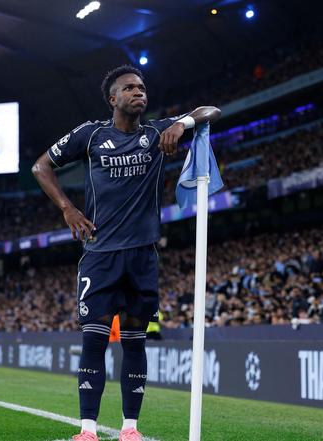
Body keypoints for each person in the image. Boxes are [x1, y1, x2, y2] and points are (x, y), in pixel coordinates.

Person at [33, 65, 221, 441]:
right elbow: (41, 166)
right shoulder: (90, 135)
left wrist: (182, 123)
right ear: (113, 98)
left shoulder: (156, 133)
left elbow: (211, 111)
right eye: (129, 88)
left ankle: (130, 429)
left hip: (142, 257)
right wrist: (68, 208)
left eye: (142, 87)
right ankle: (87, 430)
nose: (138, 92)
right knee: (94, 340)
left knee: (135, 342)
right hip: (100, 255)